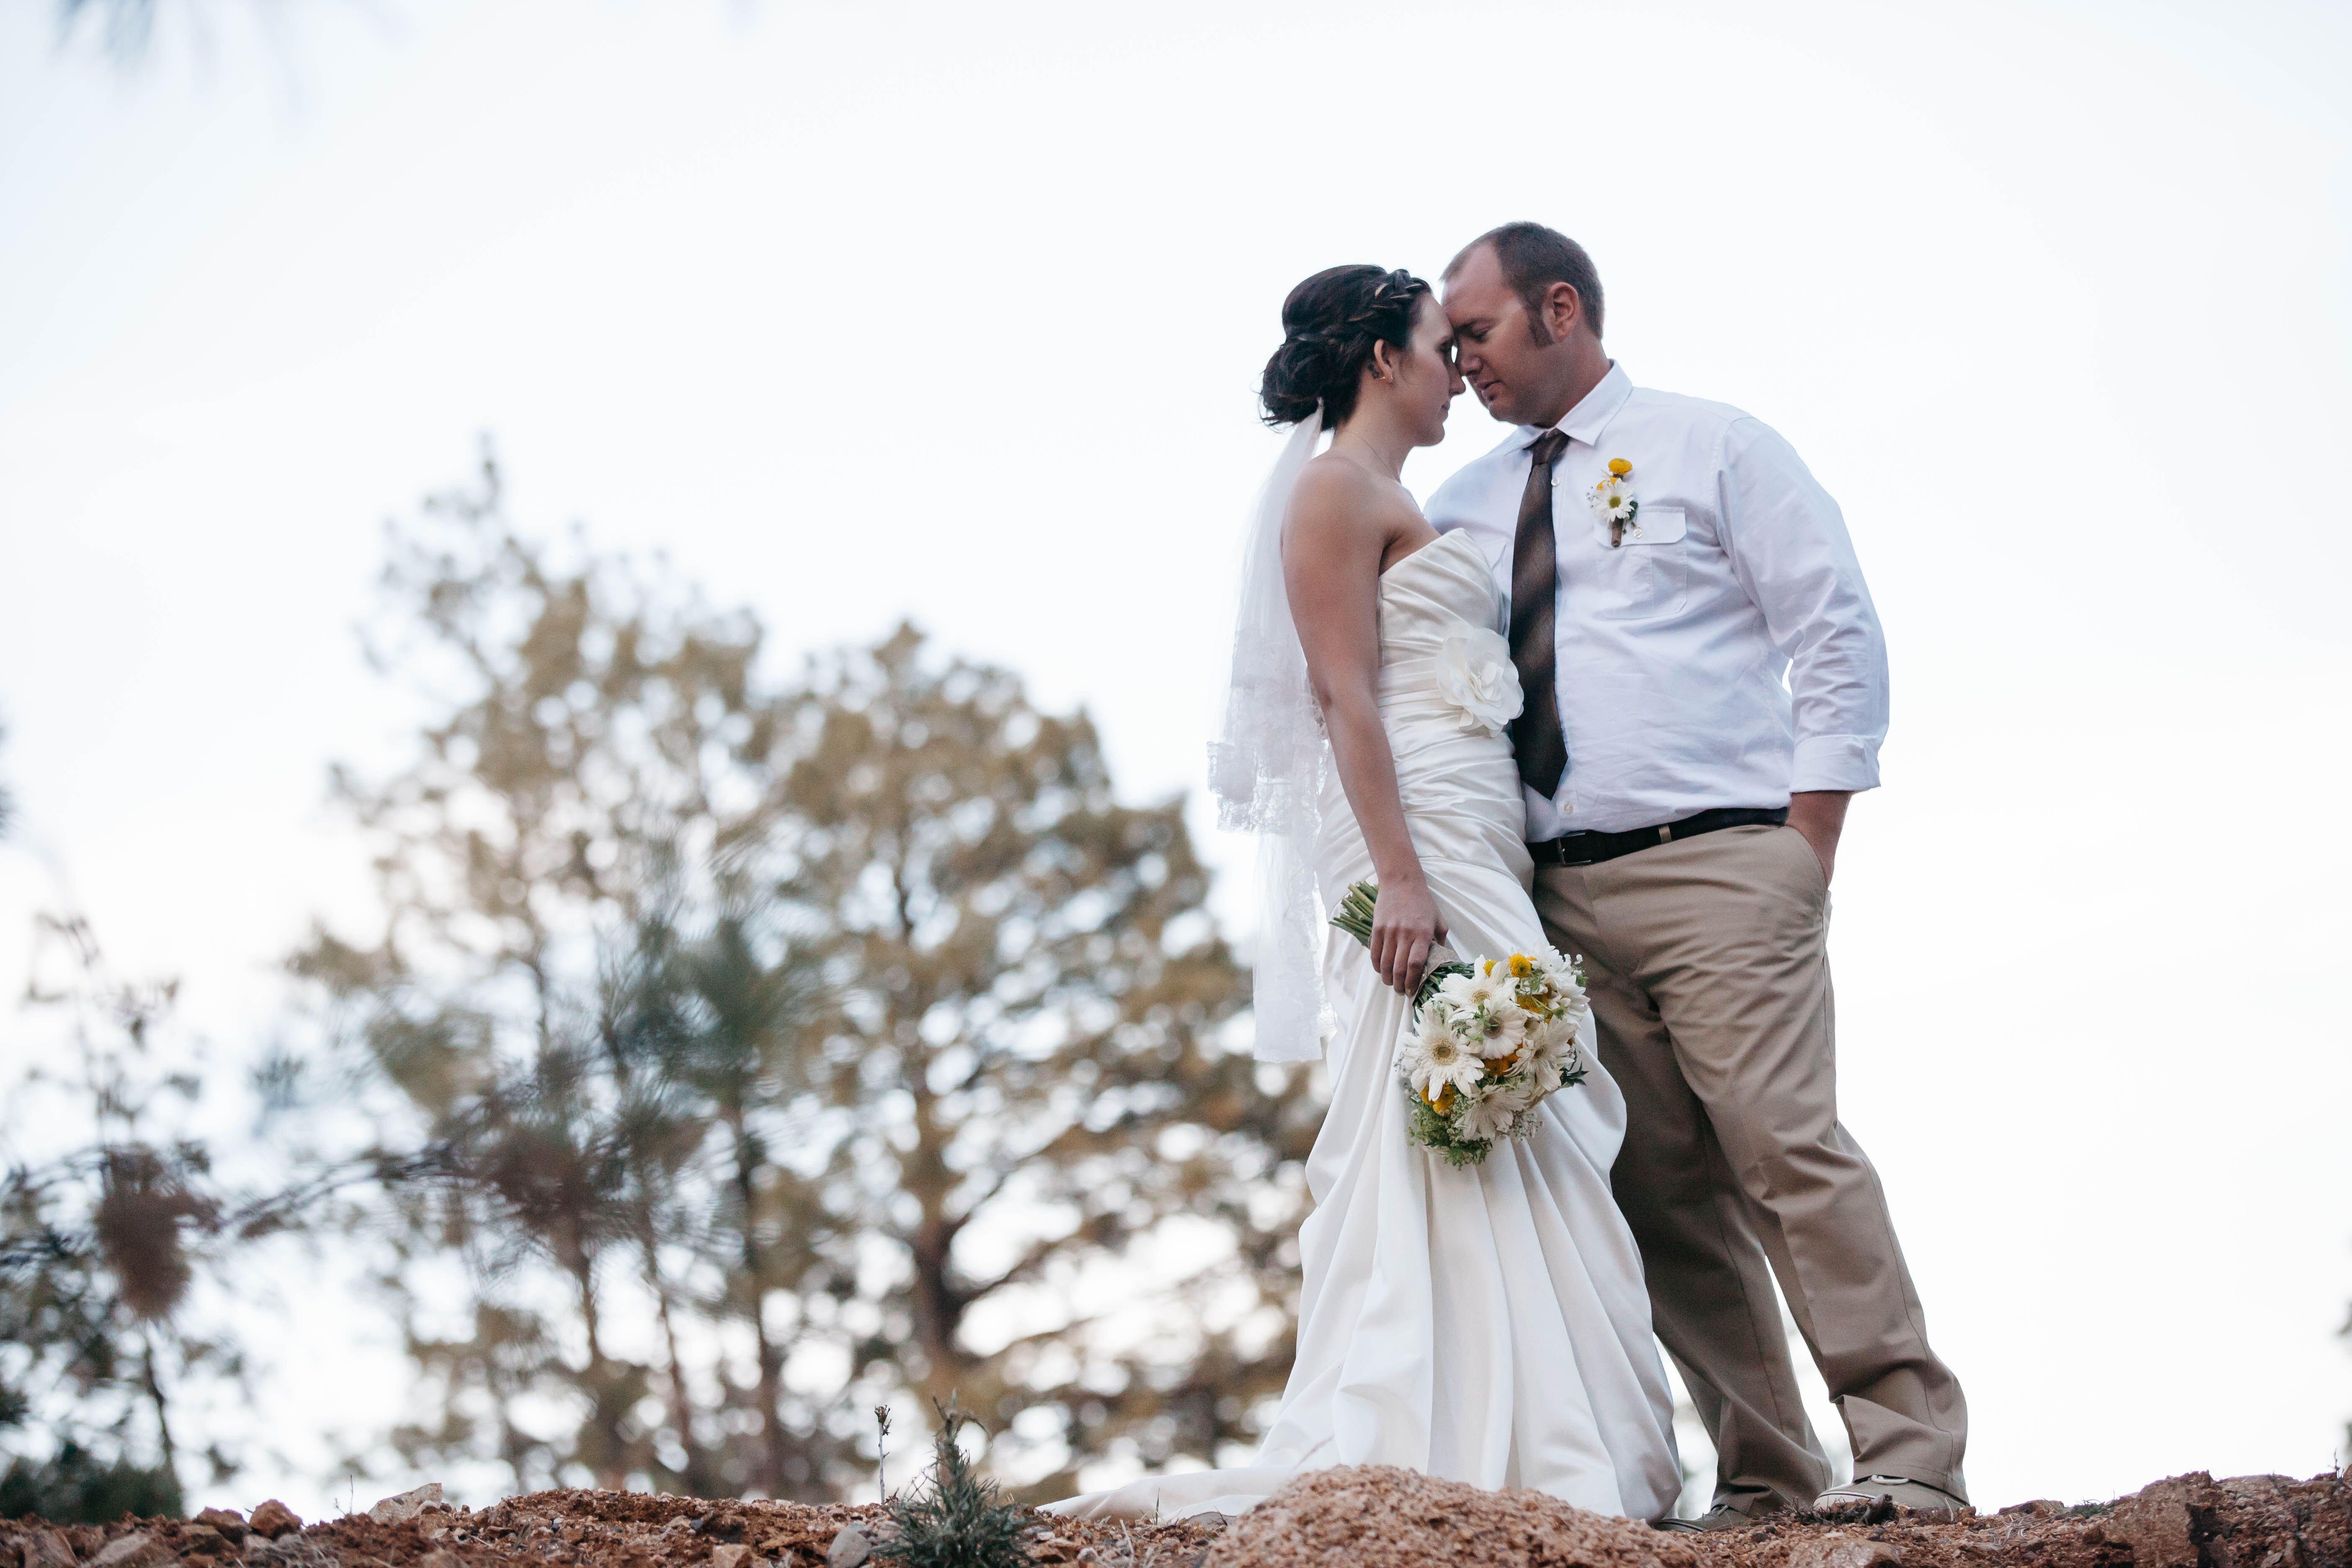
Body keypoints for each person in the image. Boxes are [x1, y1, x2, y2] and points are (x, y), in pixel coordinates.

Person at [1046, 264, 1681, 1522]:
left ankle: (1543, 1422)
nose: (1462, 370)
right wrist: (1398, 873)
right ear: (1384, 360)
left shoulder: (1392, 493)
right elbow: (1341, 694)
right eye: (1442, 348)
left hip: (1468, 820)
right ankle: (1464, 1430)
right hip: (1414, 840)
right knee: (1444, 1104)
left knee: (1525, 1103)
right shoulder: (1333, 493)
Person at [1427, 222, 1969, 1527]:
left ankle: (1910, 1452)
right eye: (1448, 343)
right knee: (1657, 1187)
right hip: (1558, 896)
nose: (1462, 363)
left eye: (1480, 332)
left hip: (1725, 865)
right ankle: (1768, 1476)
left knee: (1787, 1151)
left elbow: (1833, 623)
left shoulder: (1715, 445)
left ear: (1561, 310)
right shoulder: (1461, 507)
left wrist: (1808, 845)